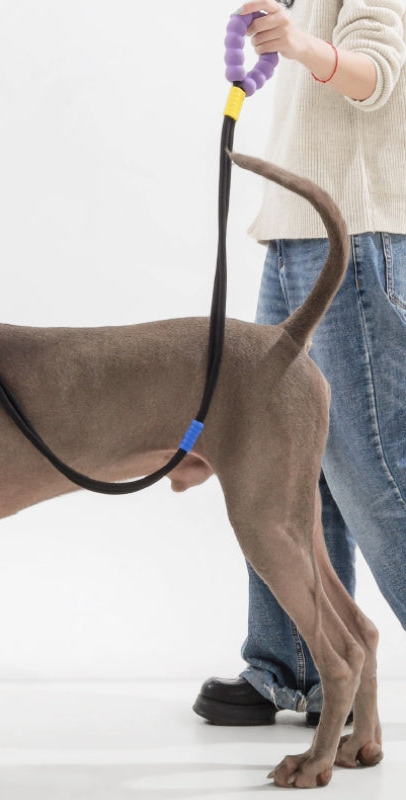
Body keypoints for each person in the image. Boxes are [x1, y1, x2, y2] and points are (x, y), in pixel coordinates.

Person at [194, 0, 406, 727]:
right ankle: (298, 669)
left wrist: (300, 44)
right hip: (294, 239)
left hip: (355, 238)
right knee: (284, 465)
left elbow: (377, 77)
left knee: (374, 471)